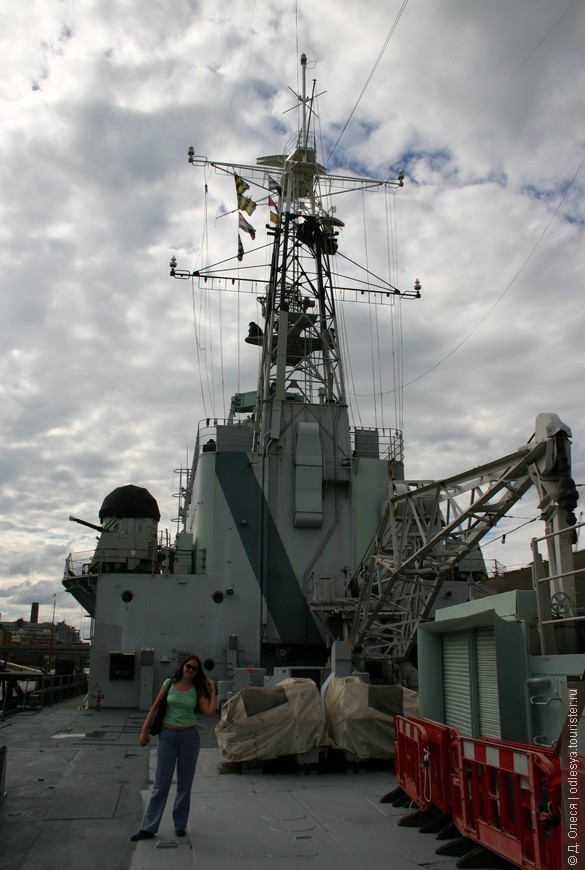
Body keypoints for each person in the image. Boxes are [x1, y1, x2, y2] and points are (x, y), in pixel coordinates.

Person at [131, 654, 217, 841]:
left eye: (194, 668)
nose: (190, 670)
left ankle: (180, 825)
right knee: (161, 783)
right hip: (167, 736)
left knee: (185, 784)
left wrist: (214, 691)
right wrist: (143, 731)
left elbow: (210, 712)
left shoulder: (197, 689)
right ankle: (148, 827)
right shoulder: (169, 683)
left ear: (197, 672)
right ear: (182, 667)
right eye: (188, 666)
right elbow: (154, 707)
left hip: (189, 737)